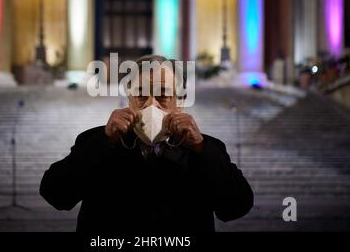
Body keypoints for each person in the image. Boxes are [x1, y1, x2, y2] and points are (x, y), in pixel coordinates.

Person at [40, 55, 253, 232]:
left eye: (163, 96)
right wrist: (105, 142)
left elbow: (236, 207)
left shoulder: (203, 148)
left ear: (180, 100)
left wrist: (200, 148)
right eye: (141, 95)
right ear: (129, 99)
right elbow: (56, 194)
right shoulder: (99, 141)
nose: (151, 105)